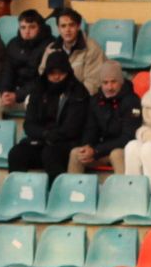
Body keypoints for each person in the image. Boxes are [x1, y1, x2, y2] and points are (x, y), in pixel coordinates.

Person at [8, 49, 90, 178]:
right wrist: (44, 134)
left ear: (67, 72)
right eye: (52, 73)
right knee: (16, 153)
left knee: (51, 154)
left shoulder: (78, 91)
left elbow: (73, 127)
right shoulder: (39, 90)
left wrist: (52, 136)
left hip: (66, 143)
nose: (56, 77)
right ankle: (18, 193)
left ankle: (55, 194)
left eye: (60, 73)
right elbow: (29, 124)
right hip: (41, 139)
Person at [74, 60, 140, 173]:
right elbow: (90, 129)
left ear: (121, 82)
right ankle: (73, 190)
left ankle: (124, 189)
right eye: (105, 83)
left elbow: (128, 137)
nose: (109, 87)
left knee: (116, 154)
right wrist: (88, 146)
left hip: (121, 150)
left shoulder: (132, 101)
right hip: (100, 150)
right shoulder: (95, 100)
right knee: (76, 154)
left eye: (113, 82)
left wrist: (96, 150)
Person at [0, 8, 52, 112]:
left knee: (32, 103)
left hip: (37, 92)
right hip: (14, 92)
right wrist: (5, 91)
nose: (27, 31)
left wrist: (18, 95)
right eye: (23, 27)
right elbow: (6, 72)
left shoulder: (50, 45)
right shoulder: (13, 44)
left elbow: (43, 79)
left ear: (40, 28)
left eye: (32, 27)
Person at [43, 4, 106, 87]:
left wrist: (69, 99)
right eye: (63, 26)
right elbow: (42, 74)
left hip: (81, 96)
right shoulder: (52, 48)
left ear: (78, 26)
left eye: (71, 25)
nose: (67, 30)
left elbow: (92, 84)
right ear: (58, 28)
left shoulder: (92, 48)